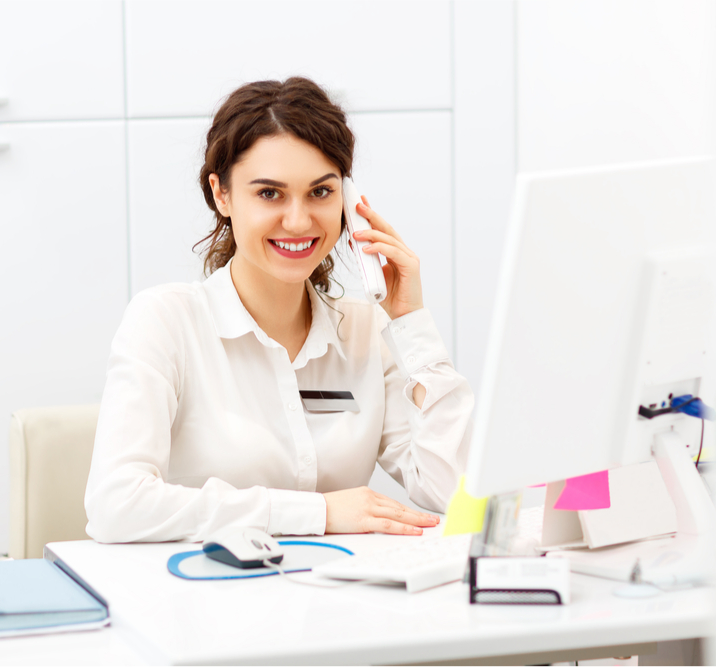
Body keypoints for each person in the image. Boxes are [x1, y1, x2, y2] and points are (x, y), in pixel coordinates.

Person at [84, 77, 473, 543]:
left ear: (348, 201)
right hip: (202, 598)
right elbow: (116, 505)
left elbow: (455, 491)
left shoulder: (364, 330)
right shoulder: (165, 322)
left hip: (340, 597)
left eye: (321, 192)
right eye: (269, 193)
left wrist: (412, 325)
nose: (298, 220)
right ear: (221, 195)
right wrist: (318, 513)